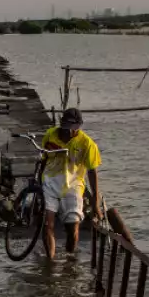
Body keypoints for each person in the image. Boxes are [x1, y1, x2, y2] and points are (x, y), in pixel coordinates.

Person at [41, 107, 102, 260]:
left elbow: (92, 172)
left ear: (78, 127)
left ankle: (69, 260)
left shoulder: (87, 144)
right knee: (48, 225)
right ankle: (50, 262)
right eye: (66, 127)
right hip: (50, 182)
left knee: (73, 230)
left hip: (73, 186)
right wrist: (38, 180)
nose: (68, 131)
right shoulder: (50, 135)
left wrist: (95, 202)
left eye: (72, 128)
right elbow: (44, 158)